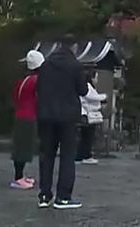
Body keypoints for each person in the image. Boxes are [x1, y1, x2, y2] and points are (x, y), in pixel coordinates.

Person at [34, 35, 90, 210]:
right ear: (73, 47)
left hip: (46, 115)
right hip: (67, 117)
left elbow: (38, 88)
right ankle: (63, 197)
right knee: (67, 157)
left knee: (46, 155)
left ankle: (44, 195)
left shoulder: (46, 65)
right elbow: (83, 90)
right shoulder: (75, 66)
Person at [10, 49, 43, 189]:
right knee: (23, 148)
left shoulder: (23, 80)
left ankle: (20, 175)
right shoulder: (36, 80)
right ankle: (18, 178)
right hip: (29, 117)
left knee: (20, 146)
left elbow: (14, 98)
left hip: (20, 114)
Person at [76, 80, 106, 165]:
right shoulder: (87, 85)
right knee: (87, 136)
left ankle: (81, 155)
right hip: (87, 113)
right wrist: (104, 96)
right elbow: (92, 97)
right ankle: (85, 155)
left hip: (83, 112)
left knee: (85, 136)